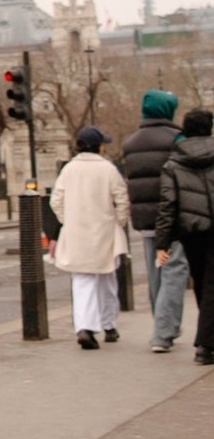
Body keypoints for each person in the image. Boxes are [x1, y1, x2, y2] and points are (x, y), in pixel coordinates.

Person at [51, 126, 130, 349]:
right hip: (104, 231)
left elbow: (56, 200)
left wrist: (68, 220)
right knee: (107, 278)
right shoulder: (108, 169)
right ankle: (109, 324)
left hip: (77, 232)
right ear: (99, 147)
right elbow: (122, 199)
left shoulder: (68, 169)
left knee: (82, 280)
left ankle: (84, 327)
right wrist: (119, 222)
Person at [121, 90, 187, 352]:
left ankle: (163, 323)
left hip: (145, 219)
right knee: (174, 268)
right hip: (171, 218)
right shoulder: (177, 140)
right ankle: (163, 332)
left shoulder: (131, 142)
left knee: (155, 271)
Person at [156, 108, 214, 365]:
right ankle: (205, 344)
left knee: (202, 283)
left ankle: (208, 340)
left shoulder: (173, 163)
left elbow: (168, 204)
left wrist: (163, 242)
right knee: (211, 286)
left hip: (191, 232)